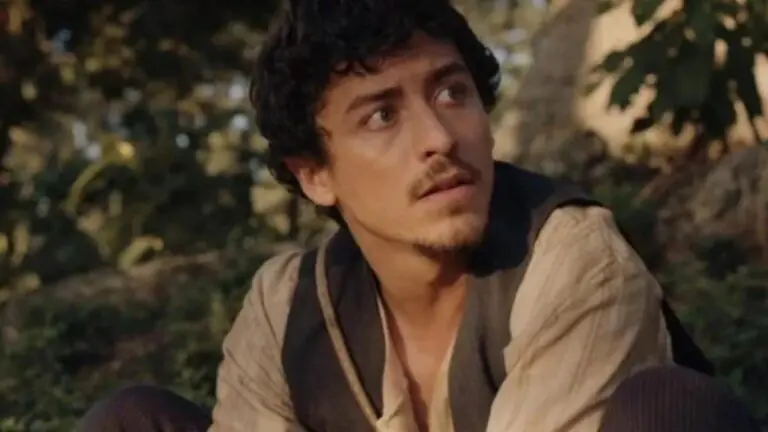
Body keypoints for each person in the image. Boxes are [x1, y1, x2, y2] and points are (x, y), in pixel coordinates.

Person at [79, 0, 760, 431]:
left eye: (452, 92)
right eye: (381, 114)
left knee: (669, 411)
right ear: (315, 175)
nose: (438, 137)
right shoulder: (288, 306)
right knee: (131, 419)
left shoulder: (568, 256)